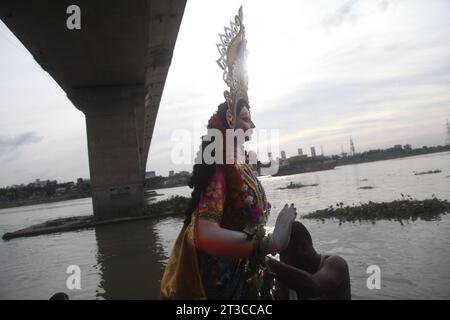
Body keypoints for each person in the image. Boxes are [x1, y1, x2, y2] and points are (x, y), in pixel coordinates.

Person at [159, 6, 296, 299]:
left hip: (246, 274)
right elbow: (205, 235)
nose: (253, 124)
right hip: (223, 284)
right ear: (230, 121)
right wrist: (268, 244)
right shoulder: (220, 171)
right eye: (245, 118)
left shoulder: (241, 165)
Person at [266, 221, 351, 300]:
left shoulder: (336, 264)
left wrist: (266, 261)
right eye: (280, 255)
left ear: (303, 247)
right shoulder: (284, 279)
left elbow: (315, 288)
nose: (282, 260)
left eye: (285, 253)